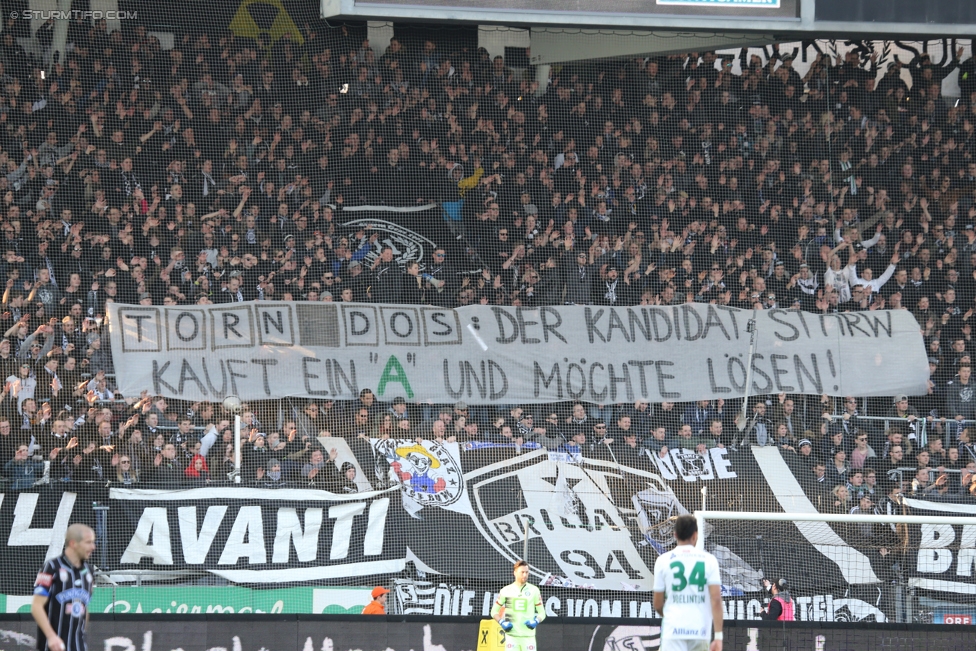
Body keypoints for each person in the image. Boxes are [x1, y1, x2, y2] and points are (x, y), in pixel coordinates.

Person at [652, 514, 723, 651]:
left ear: (675, 535)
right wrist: (718, 637)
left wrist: (671, 617)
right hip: (700, 631)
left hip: (673, 631)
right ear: (695, 535)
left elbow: (658, 604)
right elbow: (716, 599)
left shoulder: (663, 560)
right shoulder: (709, 560)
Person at [31, 523, 96, 651]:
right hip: (53, 646)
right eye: (88, 542)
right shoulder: (51, 567)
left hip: (78, 645)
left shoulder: (89, 571)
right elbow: (36, 606)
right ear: (73, 544)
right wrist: (51, 637)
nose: (93, 547)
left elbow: (85, 607)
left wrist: (82, 634)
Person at [491, 560, 545, 651]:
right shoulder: (506, 590)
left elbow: (542, 613)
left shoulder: (534, 590)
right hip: (512, 637)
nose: (525, 575)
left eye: (527, 572)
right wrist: (502, 622)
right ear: (515, 573)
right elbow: (494, 611)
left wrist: (535, 621)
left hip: (528, 637)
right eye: (522, 572)